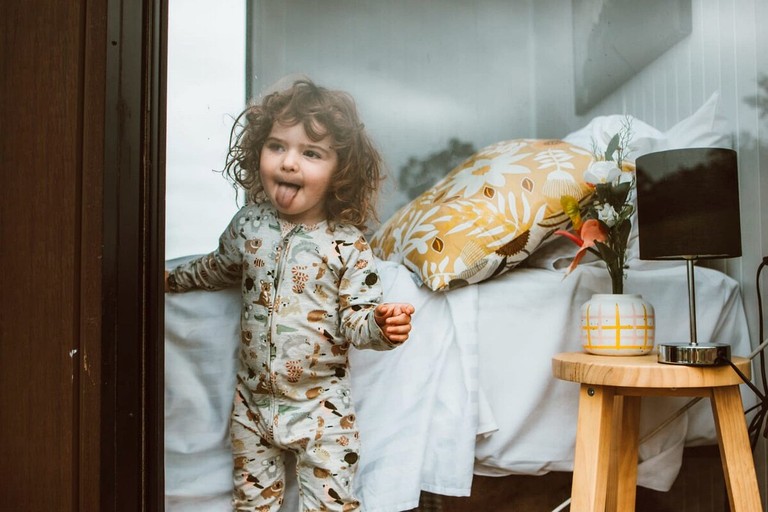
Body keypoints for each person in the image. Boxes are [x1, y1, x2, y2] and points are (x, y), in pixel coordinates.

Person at [165, 78, 414, 511]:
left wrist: (382, 325)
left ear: (341, 170)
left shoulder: (347, 245)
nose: (289, 162)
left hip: (322, 412)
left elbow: (357, 320)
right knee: (252, 506)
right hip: (253, 407)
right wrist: (167, 279)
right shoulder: (249, 224)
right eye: (277, 146)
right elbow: (217, 267)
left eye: (311, 153)